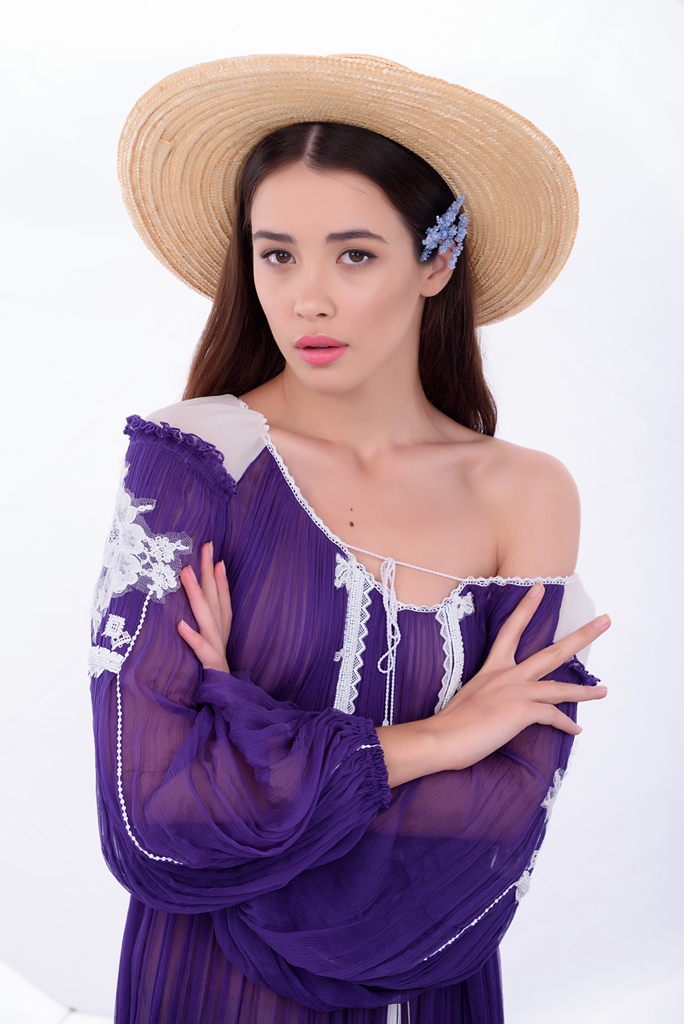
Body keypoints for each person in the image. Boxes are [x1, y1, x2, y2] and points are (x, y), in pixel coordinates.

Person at [91, 54, 610, 1024]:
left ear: (436, 263)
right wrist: (440, 738)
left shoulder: (526, 494)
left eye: (356, 255)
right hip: (204, 990)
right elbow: (151, 816)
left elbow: (492, 831)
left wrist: (247, 731)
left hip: (427, 988)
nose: (309, 299)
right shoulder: (195, 461)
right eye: (278, 254)